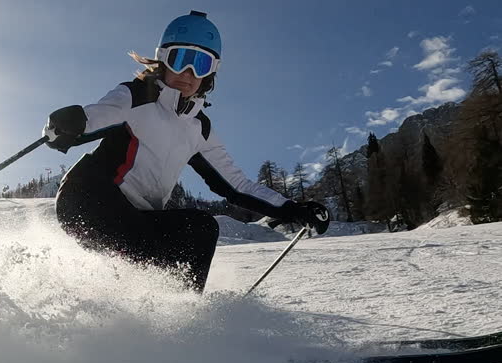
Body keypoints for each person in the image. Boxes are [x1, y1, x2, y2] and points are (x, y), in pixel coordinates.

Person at [42, 10, 330, 293]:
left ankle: (181, 317)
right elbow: (94, 118)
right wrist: (67, 126)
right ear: (163, 60)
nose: (189, 74)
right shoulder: (136, 96)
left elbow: (237, 186)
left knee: (200, 229)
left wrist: (292, 210)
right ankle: (149, 311)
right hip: (88, 200)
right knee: (135, 250)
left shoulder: (199, 130)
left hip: (136, 218)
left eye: (201, 64)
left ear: (211, 74)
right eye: (181, 59)